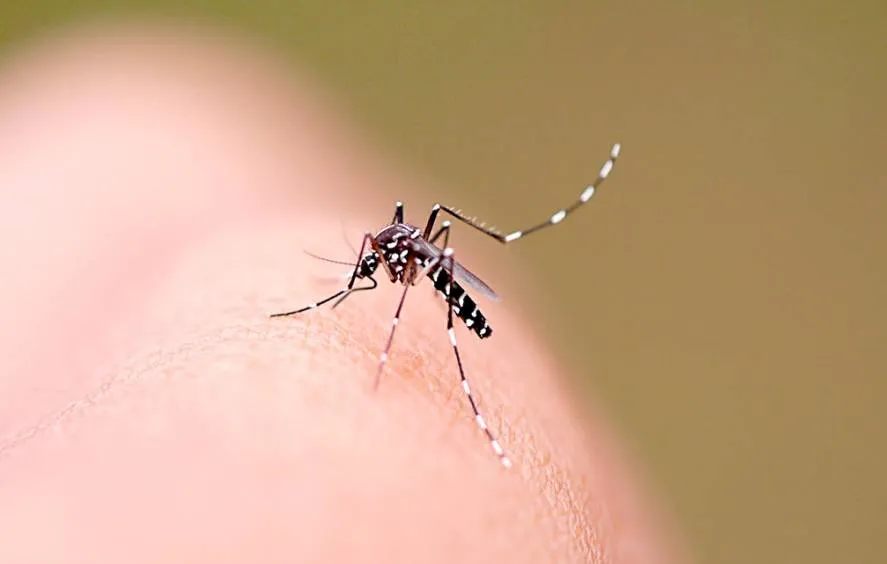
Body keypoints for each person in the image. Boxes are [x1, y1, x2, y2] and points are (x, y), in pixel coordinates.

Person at [0, 20, 678, 563]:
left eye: (374, 263)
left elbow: (413, 266)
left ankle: (495, 295)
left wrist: (392, 337)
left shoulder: (408, 254)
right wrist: (343, 291)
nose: (377, 267)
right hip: (424, 255)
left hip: (448, 278)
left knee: (439, 272)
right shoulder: (386, 244)